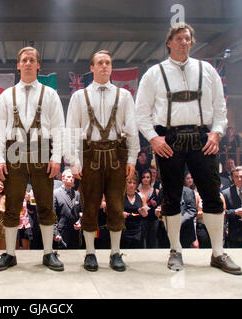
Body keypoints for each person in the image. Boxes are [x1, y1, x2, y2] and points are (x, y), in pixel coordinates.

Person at [135, 22, 242, 275]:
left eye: (187, 39)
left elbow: (220, 109)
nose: (184, 42)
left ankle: (218, 253)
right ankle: (176, 251)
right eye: (179, 39)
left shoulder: (208, 71)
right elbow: (141, 113)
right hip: (167, 140)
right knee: (171, 197)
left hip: (202, 138)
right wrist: (153, 138)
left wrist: (216, 133)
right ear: (169, 43)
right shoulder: (154, 73)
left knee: (212, 194)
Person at [0, 46, 65, 271]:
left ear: (38, 65)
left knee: (45, 204)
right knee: (12, 205)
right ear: (18, 65)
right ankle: (10, 253)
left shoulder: (49, 94)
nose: (28, 63)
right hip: (13, 151)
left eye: (32, 60)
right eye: (24, 60)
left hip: (42, 150)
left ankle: (48, 253)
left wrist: (56, 157)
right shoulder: (6, 95)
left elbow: (59, 128)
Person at [66, 49, 139, 272]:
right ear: (92, 67)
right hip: (90, 155)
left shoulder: (124, 96)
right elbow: (71, 130)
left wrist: (133, 157)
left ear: (111, 67)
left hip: (117, 155)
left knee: (117, 206)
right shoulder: (79, 96)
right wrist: (72, 160)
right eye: (100, 62)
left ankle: (115, 253)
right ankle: (90, 253)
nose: (104, 66)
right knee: (89, 205)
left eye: (107, 62)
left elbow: (131, 128)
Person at [222, 166, 242, 248]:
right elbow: (223, 212)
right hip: (235, 233)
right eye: (236, 177)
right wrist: (235, 212)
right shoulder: (226, 193)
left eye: (241, 176)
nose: (239, 179)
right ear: (232, 177)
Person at [53, 169, 82, 249]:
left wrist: (80, 223)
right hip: (61, 233)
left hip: (75, 234)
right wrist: (55, 233)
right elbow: (52, 215)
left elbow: (82, 212)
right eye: (69, 177)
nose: (71, 179)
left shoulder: (77, 195)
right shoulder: (56, 193)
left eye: (73, 177)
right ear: (63, 178)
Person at [122, 172, 148, 249]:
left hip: (138, 230)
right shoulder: (120, 197)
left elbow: (145, 212)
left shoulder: (142, 196)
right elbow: (115, 211)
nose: (132, 185)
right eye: (129, 182)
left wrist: (144, 212)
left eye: (134, 183)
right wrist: (120, 213)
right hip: (124, 229)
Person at [138, 169, 160, 248]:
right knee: (141, 241)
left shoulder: (156, 191)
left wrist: (156, 204)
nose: (146, 179)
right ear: (141, 178)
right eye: (144, 177)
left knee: (152, 241)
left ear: (151, 178)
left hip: (153, 220)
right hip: (141, 220)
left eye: (148, 177)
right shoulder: (137, 192)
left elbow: (160, 206)